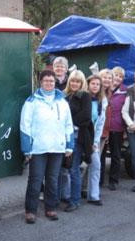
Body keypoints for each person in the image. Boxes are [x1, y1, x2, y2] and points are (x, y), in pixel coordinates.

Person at [20, 70, 73, 224]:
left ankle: (50, 208)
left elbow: (68, 124)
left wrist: (69, 145)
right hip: (38, 148)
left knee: (52, 180)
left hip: (57, 147)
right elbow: (25, 126)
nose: (49, 83)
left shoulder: (62, 102)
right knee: (35, 180)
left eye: (51, 81)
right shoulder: (31, 102)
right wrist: (26, 148)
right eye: (46, 81)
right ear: (40, 82)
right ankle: (30, 211)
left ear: (55, 83)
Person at [61, 70, 93, 212]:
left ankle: (75, 200)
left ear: (82, 83)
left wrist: (68, 123)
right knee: (63, 169)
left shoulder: (85, 96)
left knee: (74, 169)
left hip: (77, 138)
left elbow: (86, 116)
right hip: (62, 138)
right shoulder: (64, 96)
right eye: (72, 81)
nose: (74, 83)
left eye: (78, 81)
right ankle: (63, 196)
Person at [85, 74, 107, 205]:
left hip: (93, 140)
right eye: (93, 83)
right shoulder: (82, 98)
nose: (95, 86)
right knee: (77, 168)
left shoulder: (101, 101)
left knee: (96, 165)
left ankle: (94, 196)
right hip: (81, 137)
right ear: (88, 84)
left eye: (97, 84)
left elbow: (100, 124)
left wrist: (95, 142)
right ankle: (67, 194)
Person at [106, 66, 127, 191]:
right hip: (104, 128)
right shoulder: (104, 89)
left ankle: (113, 180)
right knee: (101, 155)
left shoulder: (125, 91)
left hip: (117, 127)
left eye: (120, 76)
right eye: (116, 75)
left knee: (115, 154)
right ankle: (99, 180)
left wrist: (125, 128)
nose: (118, 78)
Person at [99, 68, 113, 187]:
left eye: (109, 78)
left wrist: (107, 132)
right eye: (104, 77)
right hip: (96, 131)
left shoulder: (109, 93)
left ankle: (98, 183)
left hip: (104, 131)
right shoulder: (97, 92)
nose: (107, 80)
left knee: (101, 157)